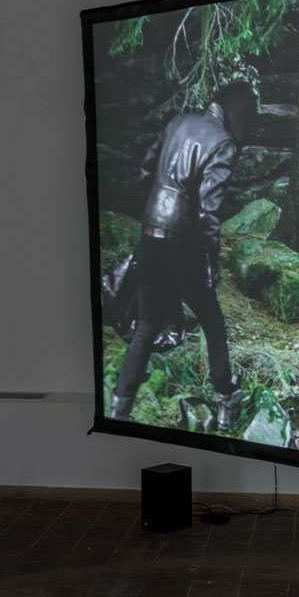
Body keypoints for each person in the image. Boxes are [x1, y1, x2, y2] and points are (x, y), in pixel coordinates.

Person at [109, 81, 257, 428]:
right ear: (236, 112)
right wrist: (211, 261)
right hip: (183, 246)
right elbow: (207, 211)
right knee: (212, 321)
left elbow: (145, 171)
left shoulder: (177, 121)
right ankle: (226, 402)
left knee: (147, 326)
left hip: (151, 234)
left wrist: (153, 216)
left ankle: (119, 409)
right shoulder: (222, 143)